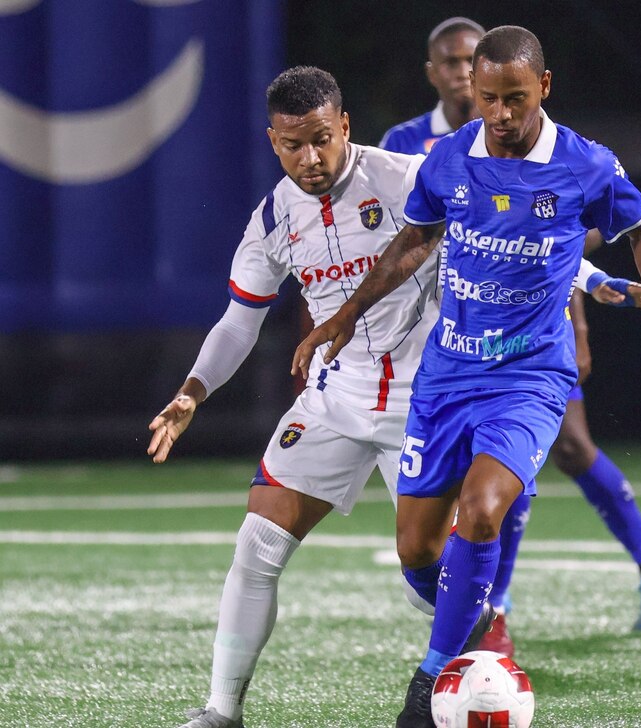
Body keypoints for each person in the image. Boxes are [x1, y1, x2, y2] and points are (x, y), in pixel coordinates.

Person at [293, 26, 641, 728]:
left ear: (542, 87)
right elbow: (416, 239)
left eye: (515, 98)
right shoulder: (450, 157)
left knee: (483, 510)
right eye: (489, 99)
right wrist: (345, 316)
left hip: (529, 379)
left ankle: (430, 682)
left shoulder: (584, 164)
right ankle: (474, 612)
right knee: (417, 552)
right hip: (446, 375)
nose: (502, 114)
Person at [378, 16, 641, 657]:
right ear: (444, 74)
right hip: (435, 346)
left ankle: (501, 605)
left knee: (533, 466)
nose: (484, 94)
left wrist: (594, 300)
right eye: (461, 67)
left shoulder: (562, 154)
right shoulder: (411, 146)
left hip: (527, 349)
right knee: (418, 547)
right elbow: (402, 241)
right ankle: (481, 598)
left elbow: (547, 244)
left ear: (535, 85)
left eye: (503, 88)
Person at [147, 66, 441, 728]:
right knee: (256, 545)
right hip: (333, 399)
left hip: (423, 401)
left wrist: (587, 278)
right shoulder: (275, 214)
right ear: (272, 142)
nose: (308, 158)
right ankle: (222, 712)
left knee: (427, 568)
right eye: (291, 145)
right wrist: (194, 391)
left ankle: (474, 640)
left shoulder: (402, 180)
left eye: (320, 140)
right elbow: (238, 321)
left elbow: (492, 242)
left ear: (344, 127)